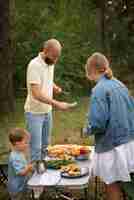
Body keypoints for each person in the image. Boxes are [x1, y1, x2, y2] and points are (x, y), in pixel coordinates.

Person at [84, 52, 134, 200]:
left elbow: (98, 123)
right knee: (127, 182)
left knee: (111, 184)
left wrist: (86, 129)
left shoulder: (99, 90)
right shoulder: (120, 84)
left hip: (112, 146)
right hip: (129, 142)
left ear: (90, 71)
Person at [24, 38, 75, 161]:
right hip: (34, 113)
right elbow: (36, 94)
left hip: (47, 112)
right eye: (54, 56)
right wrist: (57, 104)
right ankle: (35, 177)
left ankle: (45, 175)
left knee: (46, 146)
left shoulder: (49, 63)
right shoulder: (34, 65)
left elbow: (46, 79)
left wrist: (54, 86)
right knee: (36, 148)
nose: (55, 60)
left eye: (58, 57)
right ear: (45, 51)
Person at [8, 128, 33, 200]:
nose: (27, 145)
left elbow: (23, 164)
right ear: (17, 143)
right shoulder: (14, 157)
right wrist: (28, 167)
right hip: (17, 188)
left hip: (22, 184)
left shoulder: (20, 152)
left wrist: (28, 166)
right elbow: (20, 172)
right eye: (26, 143)